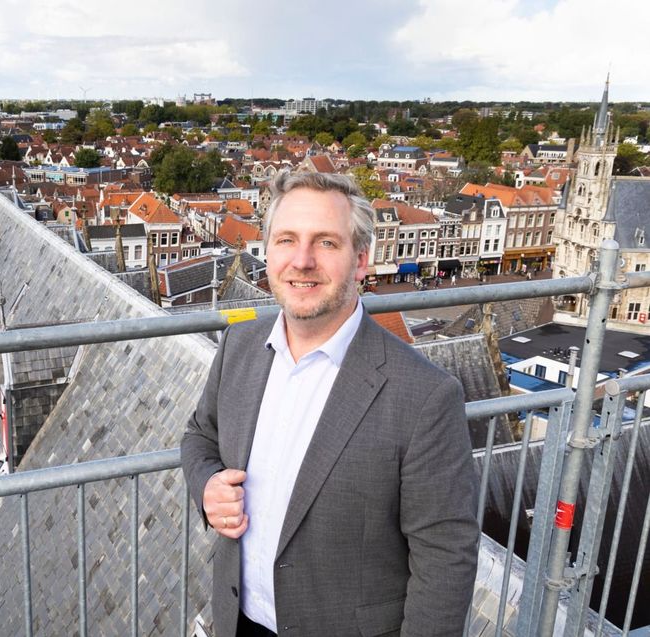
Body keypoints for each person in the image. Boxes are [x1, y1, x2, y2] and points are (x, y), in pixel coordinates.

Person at [181, 170, 479, 637]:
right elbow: (199, 436)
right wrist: (207, 485)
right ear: (269, 252)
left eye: (326, 243)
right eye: (286, 240)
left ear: (361, 260)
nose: (301, 261)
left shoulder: (425, 397)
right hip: (237, 622)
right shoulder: (238, 346)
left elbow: (445, 560)